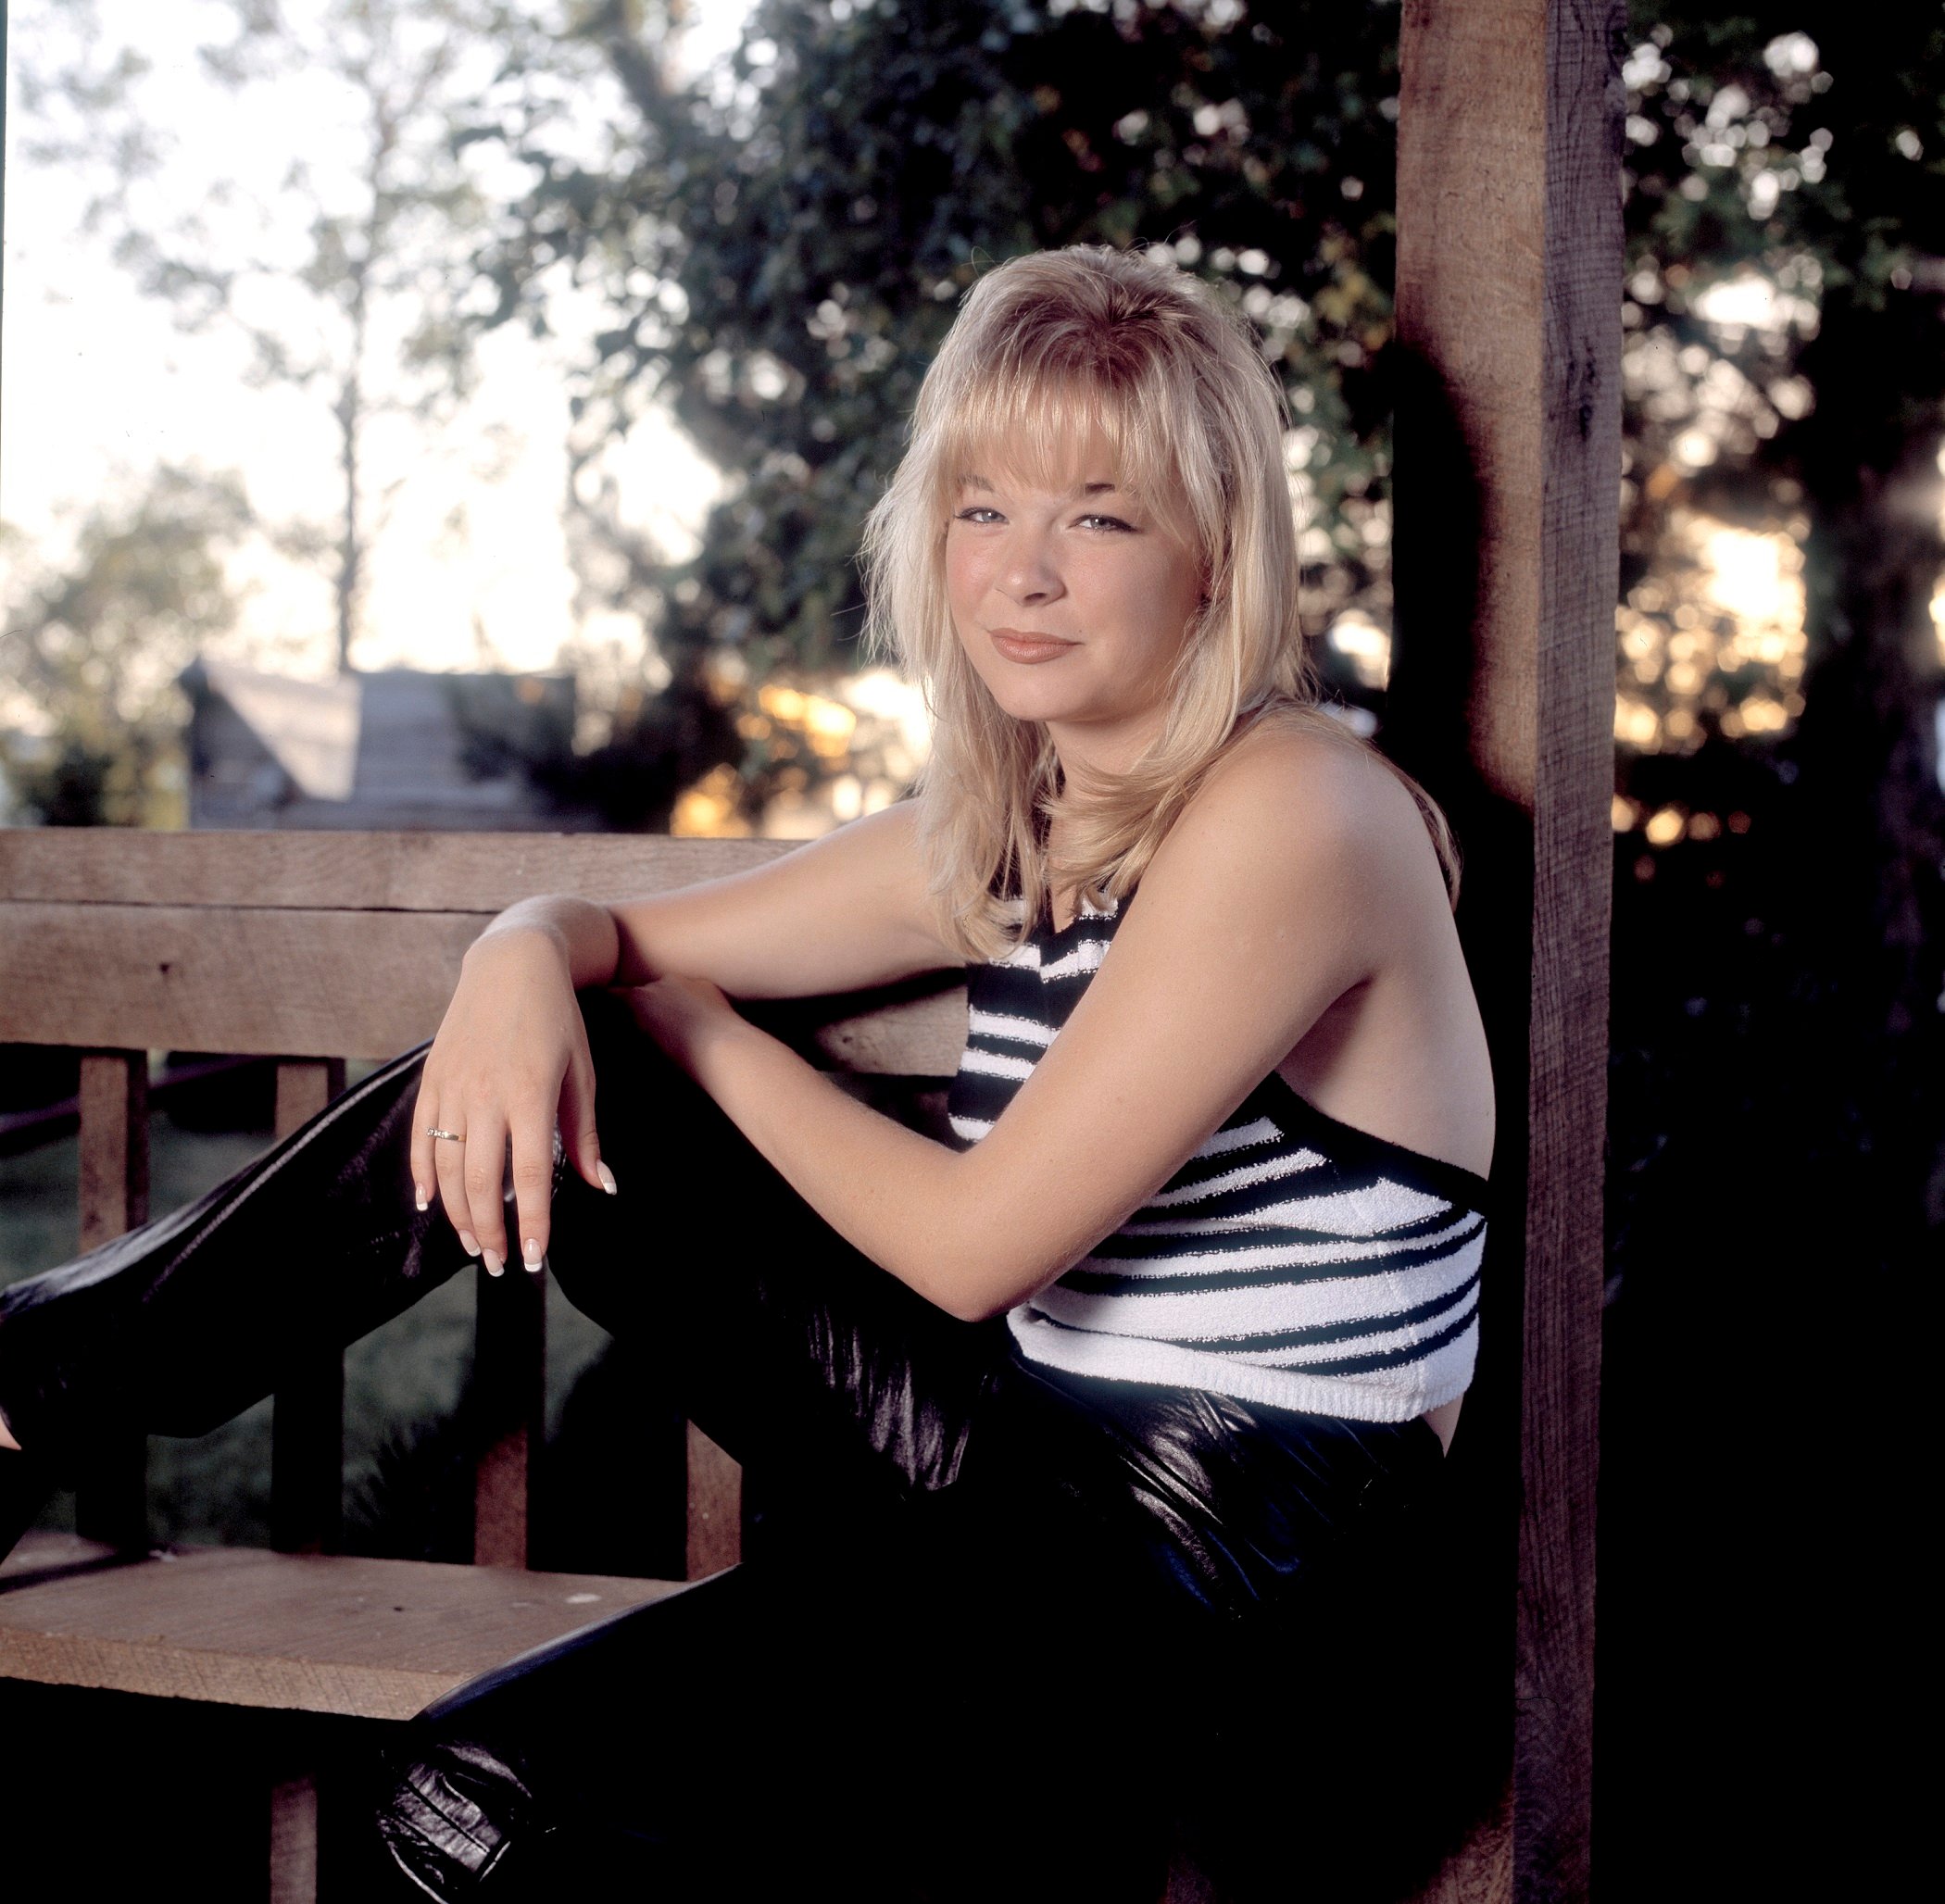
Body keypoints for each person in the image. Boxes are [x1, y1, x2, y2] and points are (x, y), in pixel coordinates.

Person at [0, 246, 1493, 1900]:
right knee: (575, 1082)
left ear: (1214, 559)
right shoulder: (1033, 819)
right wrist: (522, 946)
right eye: (982, 508)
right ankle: (12, 1400)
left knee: (463, 1801)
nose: (1025, 572)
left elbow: (977, 1246)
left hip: (1242, 1561)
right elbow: (623, 937)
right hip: (1018, 1459)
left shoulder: (1300, 811)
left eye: (1100, 515)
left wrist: (686, 1026)